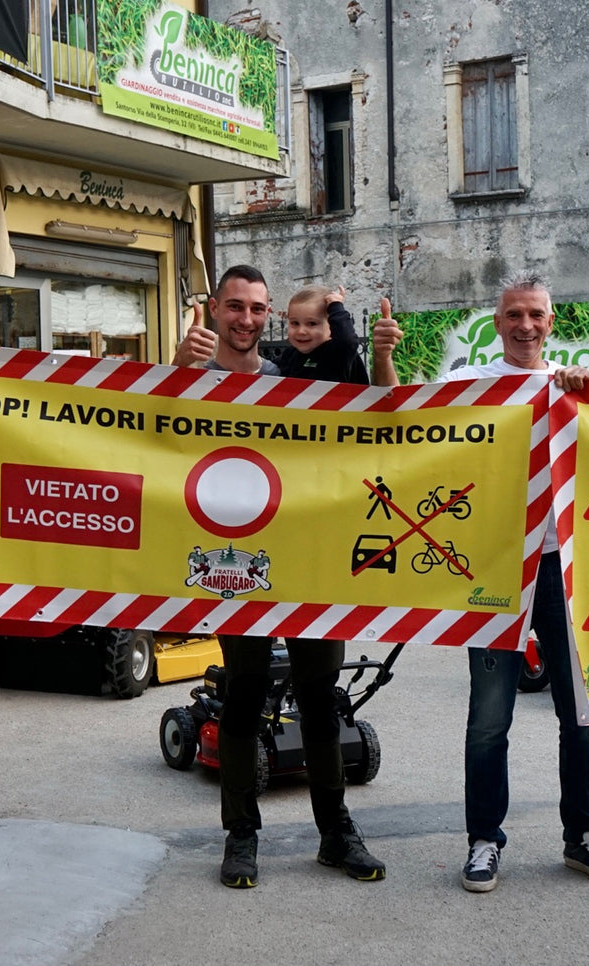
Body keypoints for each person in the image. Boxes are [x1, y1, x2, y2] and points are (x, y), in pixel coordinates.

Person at [173, 265, 402, 888]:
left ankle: (335, 832)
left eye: (257, 309)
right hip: (232, 562)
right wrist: (177, 367)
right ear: (215, 309)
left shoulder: (288, 376)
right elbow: (151, 430)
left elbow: (378, 415)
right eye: (235, 307)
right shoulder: (188, 373)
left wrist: (379, 355)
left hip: (311, 560)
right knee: (243, 697)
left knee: (323, 698)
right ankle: (241, 837)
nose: (246, 319)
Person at [440, 271, 589, 894]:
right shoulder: (466, 385)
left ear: (552, 321)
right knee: (489, 717)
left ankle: (583, 836)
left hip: (564, 565)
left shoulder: (573, 386)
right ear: (498, 323)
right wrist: (383, 357)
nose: (524, 325)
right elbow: (398, 423)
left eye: (535, 315)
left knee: (582, 710)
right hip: (494, 564)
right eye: (513, 315)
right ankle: (483, 839)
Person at [277, 285, 370, 383]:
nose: (301, 331)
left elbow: (347, 341)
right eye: (295, 323)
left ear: (332, 325)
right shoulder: (289, 355)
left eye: (312, 323)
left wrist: (336, 307)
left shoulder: (338, 353)